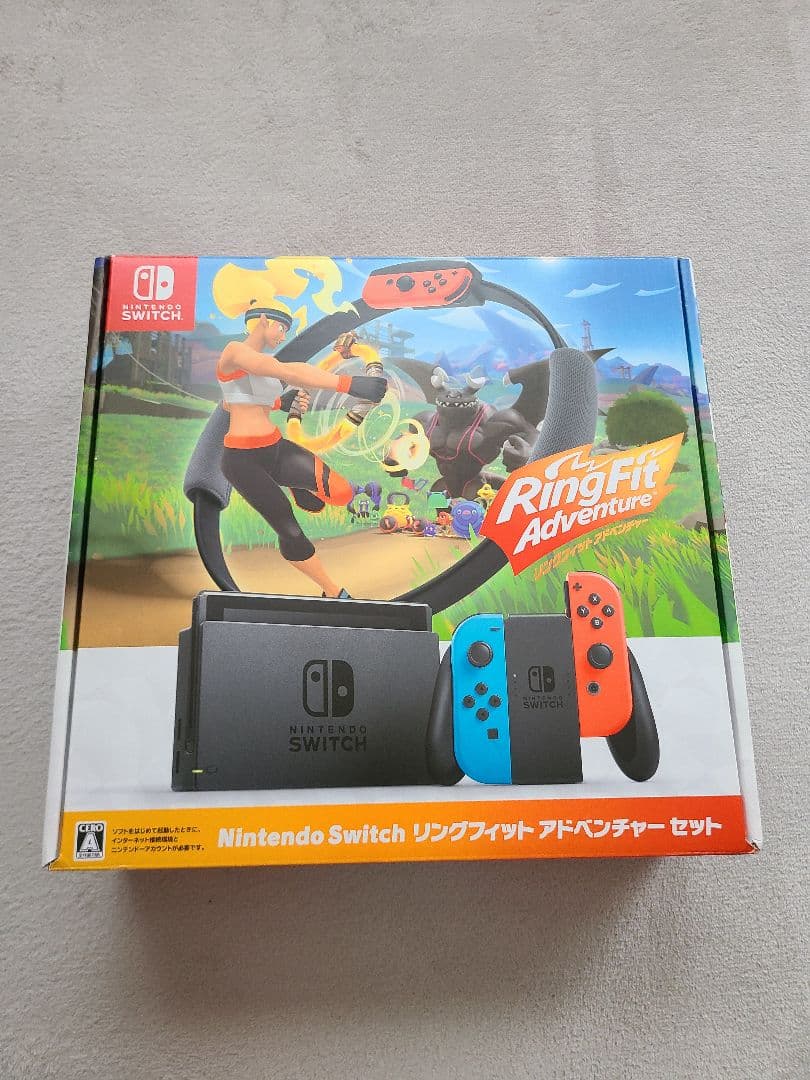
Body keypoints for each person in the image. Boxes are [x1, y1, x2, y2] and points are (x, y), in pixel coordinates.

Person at [216, 303, 386, 597]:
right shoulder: (235, 352)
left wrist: (281, 403)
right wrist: (347, 384)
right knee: (290, 529)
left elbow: (232, 401)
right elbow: (286, 370)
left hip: (275, 448)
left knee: (342, 493)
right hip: (242, 461)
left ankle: (294, 484)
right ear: (263, 320)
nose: (283, 336)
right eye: (281, 328)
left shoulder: (259, 365)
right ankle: (332, 590)